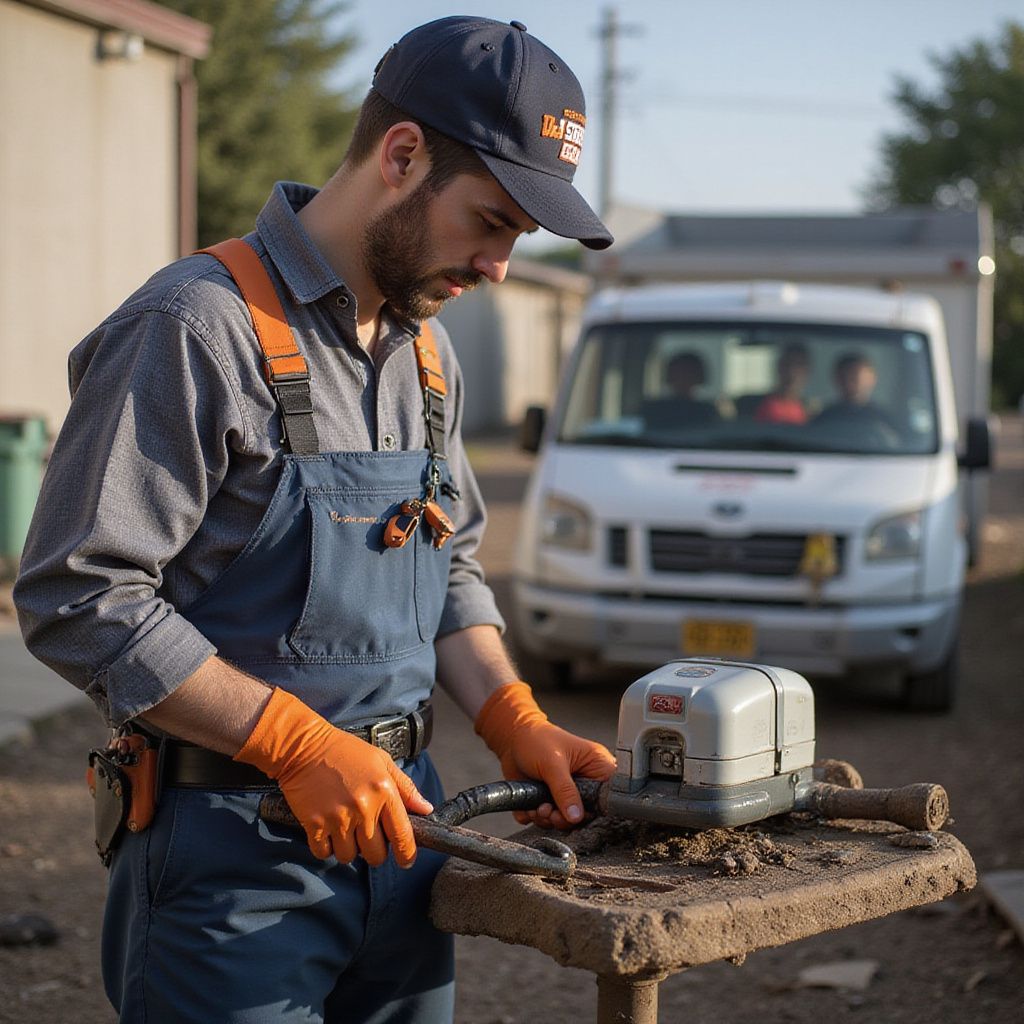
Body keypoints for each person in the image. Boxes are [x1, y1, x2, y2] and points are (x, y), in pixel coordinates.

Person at [13, 17, 616, 1024]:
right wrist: (292, 741)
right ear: (401, 154)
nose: (502, 265)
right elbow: (79, 591)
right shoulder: (194, 328)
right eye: (493, 220)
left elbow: (449, 562)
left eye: (522, 236)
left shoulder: (428, 357)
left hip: (409, 839)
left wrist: (512, 716)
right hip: (230, 861)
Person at [814, 351, 900, 441]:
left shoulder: (884, 421)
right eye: (844, 376)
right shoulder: (825, 419)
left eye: (855, 375)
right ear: (837, 379)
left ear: (872, 378)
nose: (849, 381)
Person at [755, 342, 811, 424]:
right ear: (779, 367)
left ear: (807, 371)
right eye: (787, 364)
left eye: (798, 365)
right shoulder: (762, 406)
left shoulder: (809, 412)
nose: (792, 372)